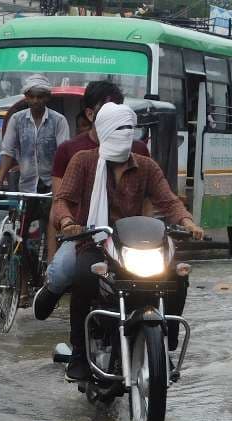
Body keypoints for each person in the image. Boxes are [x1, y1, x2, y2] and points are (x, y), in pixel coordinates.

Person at [40, 103, 204, 382]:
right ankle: (79, 353)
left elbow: (168, 200)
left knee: (176, 278)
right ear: (103, 131)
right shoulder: (83, 161)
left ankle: (165, 345)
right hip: (94, 242)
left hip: (138, 245)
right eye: (119, 128)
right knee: (82, 277)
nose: (125, 134)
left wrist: (188, 222)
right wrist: (68, 222)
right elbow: (62, 200)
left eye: (129, 128)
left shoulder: (147, 167)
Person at [36, 80, 150, 309]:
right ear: (90, 114)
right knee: (61, 273)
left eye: (120, 108)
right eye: (109, 109)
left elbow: (153, 198)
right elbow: (60, 203)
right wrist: (57, 245)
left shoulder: (138, 150)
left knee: (167, 278)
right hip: (84, 237)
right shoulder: (71, 152)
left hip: (128, 238)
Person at [0, 74, 69, 195]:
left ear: (47, 97)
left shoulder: (59, 121)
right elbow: (7, 152)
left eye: (39, 97)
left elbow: (64, 155)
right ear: (26, 97)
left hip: (52, 187)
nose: (35, 101)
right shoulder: (16, 119)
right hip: (25, 187)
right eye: (31, 96)